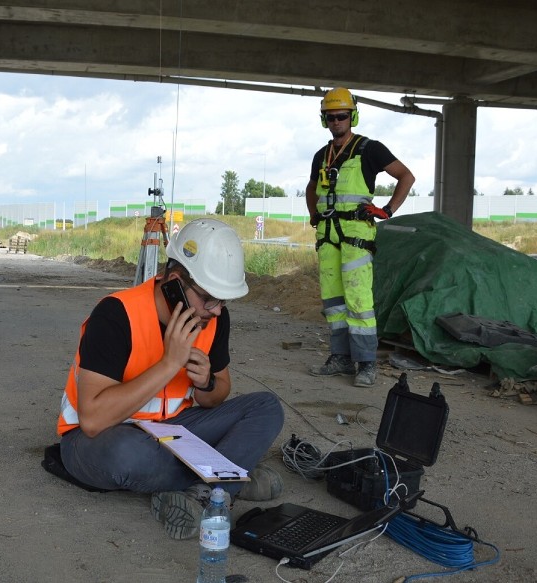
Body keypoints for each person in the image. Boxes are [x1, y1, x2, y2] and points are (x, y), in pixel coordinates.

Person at [56, 218, 284, 540]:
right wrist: (168, 364)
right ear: (175, 282)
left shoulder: (213, 318)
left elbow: (217, 394)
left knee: (266, 407)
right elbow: (92, 420)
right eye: (208, 298)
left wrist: (206, 383)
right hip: (101, 440)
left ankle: (210, 486)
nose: (216, 310)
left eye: (223, 301)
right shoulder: (116, 314)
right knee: (127, 455)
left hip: (176, 432)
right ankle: (227, 477)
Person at [306, 87, 415, 387]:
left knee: (358, 300)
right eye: (330, 117)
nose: (336, 122)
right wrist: (314, 214)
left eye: (341, 116)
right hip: (328, 238)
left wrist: (388, 210)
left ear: (351, 116)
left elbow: (406, 176)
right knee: (334, 303)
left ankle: (366, 364)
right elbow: (311, 187)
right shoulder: (321, 155)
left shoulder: (370, 148)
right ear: (324, 120)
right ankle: (340, 358)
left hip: (356, 236)